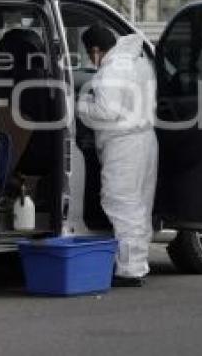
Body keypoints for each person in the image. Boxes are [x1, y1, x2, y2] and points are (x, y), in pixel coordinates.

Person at [76, 25, 158, 287]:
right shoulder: (138, 61)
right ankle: (136, 263)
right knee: (139, 204)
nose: (91, 60)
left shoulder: (112, 69)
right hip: (145, 138)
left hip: (123, 143)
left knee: (121, 202)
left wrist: (80, 105)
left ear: (97, 50)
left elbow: (105, 112)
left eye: (90, 54)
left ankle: (130, 269)